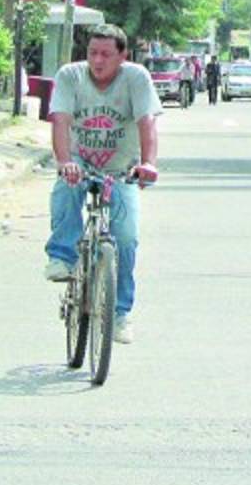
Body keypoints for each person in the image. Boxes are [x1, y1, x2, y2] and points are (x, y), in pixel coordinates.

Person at [44, 24, 162, 345]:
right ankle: (62, 257)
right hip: (80, 162)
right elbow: (61, 120)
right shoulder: (71, 75)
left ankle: (120, 314)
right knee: (65, 188)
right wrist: (65, 161)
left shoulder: (136, 78)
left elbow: (146, 122)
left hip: (121, 168)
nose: (98, 60)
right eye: (93, 53)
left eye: (106, 54)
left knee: (125, 237)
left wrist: (148, 163)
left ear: (122, 56)